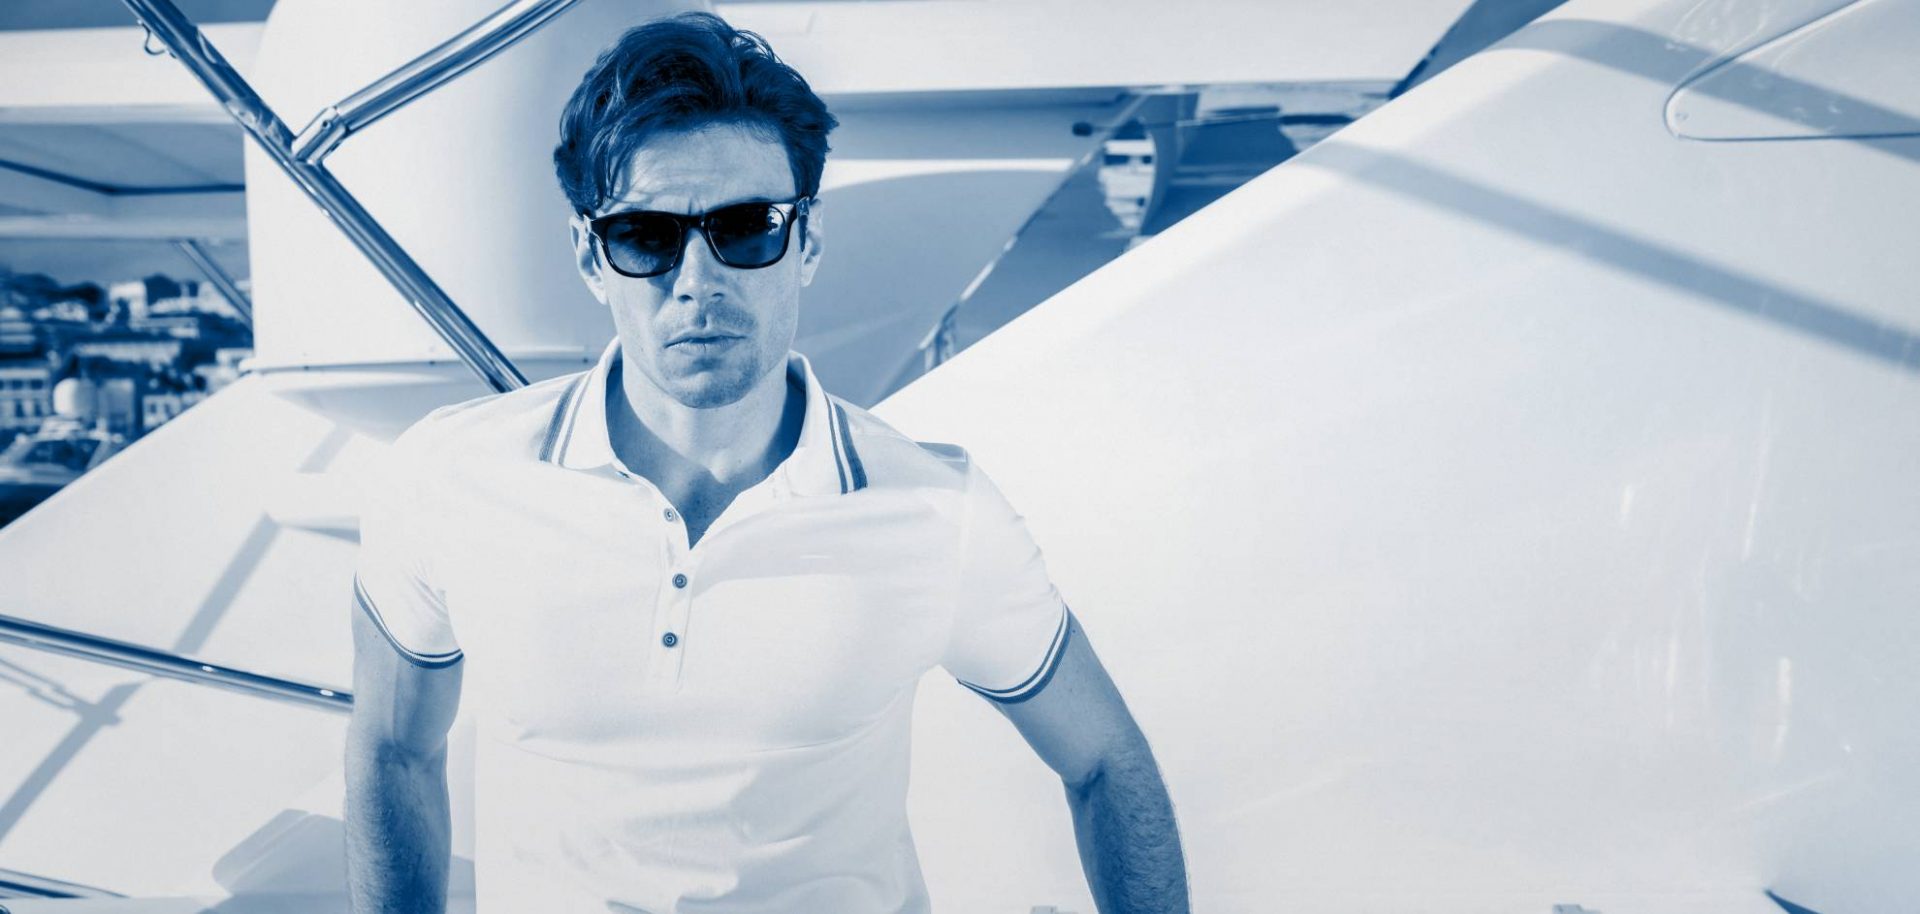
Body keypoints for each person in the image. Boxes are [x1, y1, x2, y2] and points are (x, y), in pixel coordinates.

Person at [344, 11, 1186, 913]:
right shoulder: (450, 479)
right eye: (646, 236)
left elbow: (1105, 759)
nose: (698, 281)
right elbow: (392, 749)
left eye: (747, 228)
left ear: (807, 241)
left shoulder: (937, 513)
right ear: (592, 256)